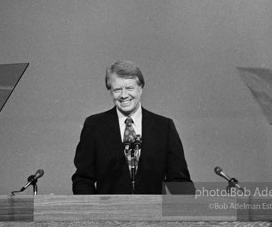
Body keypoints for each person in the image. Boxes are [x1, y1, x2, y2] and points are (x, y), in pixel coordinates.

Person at [72, 60, 194, 194]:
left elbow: (179, 181)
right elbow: (83, 179)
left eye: (130, 88)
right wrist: (93, 211)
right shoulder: (94, 126)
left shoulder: (164, 127)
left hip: (152, 212)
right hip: (106, 213)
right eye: (117, 90)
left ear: (140, 88)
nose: (124, 95)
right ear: (110, 91)